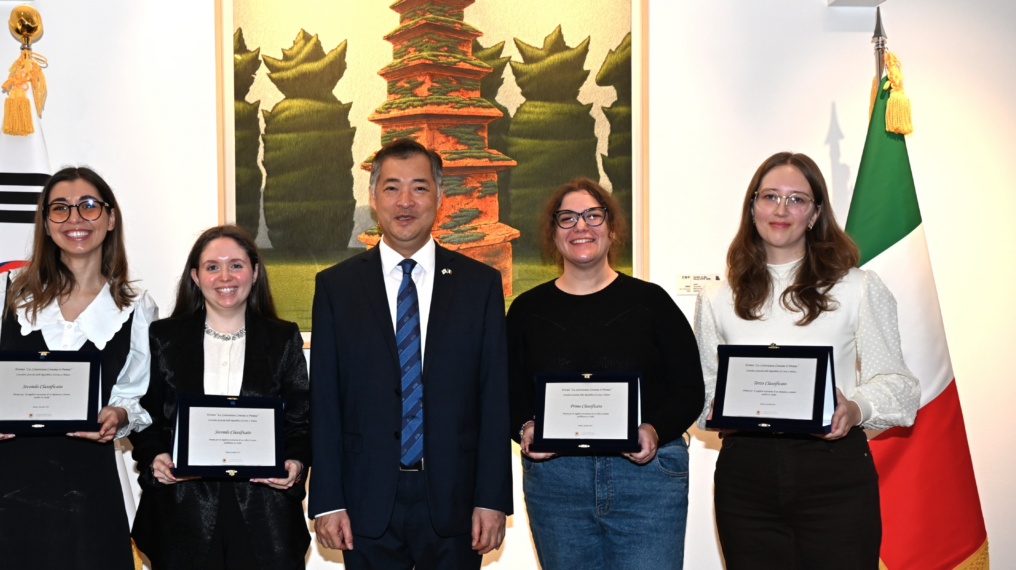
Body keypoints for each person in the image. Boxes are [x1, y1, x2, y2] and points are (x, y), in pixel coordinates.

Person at [694, 152, 920, 569]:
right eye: (770, 197)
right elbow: (704, 389)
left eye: (797, 199)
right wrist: (717, 406)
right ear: (752, 207)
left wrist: (855, 408)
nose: (781, 210)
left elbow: (899, 385)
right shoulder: (717, 297)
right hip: (745, 477)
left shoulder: (857, 287)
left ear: (815, 214)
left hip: (834, 475)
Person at [0, 166, 157, 570]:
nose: (74, 218)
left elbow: (133, 394)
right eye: (60, 208)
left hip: (87, 484)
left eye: (88, 205)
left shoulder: (135, 306)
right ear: (46, 223)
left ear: (110, 218)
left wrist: (119, 414)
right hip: (0, 481)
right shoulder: (5, 290)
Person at [308, 138, 512, 569]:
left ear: (439, 196)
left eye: (419, 187)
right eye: (391, 187)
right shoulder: (336, 287)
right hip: (364, 499)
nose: (405, 201)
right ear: (373, 196)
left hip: (456, 500)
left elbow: (494, 397)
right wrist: (327, 500)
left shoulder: (480, 284)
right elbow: (324, 401)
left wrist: (492, 498)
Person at [509, 178, 705, 569]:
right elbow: (506, 390)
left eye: (593, 216)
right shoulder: (526, 310)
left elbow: (688, 389)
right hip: (556, 482)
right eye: (567, 218)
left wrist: (654, 429)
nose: (581, 226)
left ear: (611, 228)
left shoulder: (652, 302)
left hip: (647, 480)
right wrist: (526, 427)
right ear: (554, 233)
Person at [129, 224, 310, 570]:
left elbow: (300, 422)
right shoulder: (163, 337)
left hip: (265, 513)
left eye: (236, 265)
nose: (225, 277)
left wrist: (295, 463)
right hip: (182, 511)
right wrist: (155, 457)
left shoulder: (283, 338)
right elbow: (145, 415)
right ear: (195, 277)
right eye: (212, 266)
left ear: (254, 272)